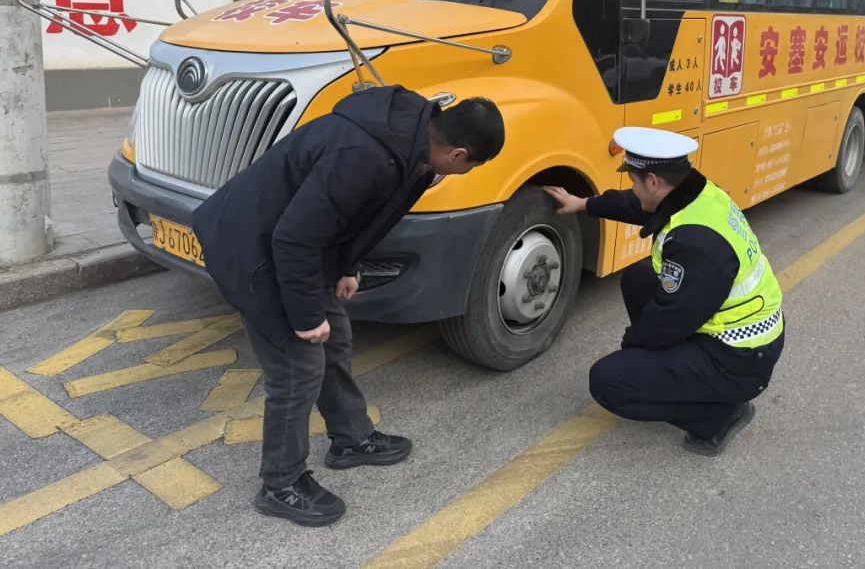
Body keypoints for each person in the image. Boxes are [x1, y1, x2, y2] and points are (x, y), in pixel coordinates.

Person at [192, 85, 504, 526]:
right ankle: (280, 484)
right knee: (297, 368)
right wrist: (304, 317)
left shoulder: (410, 139)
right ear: (457, 154)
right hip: (256, 250)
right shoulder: (368, 155)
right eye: (468, 167)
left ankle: (351, 438)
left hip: (300, 246)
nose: (460, 174)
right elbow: (293, 237)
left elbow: (356, 215)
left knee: (336, 340)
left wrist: (349, 265)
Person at [544, 127, 783, 457]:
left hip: (740, 357)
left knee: (609, 381)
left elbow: (671, 319)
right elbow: (637, 204)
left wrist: (634, 349)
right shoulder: (695, 193)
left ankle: (719, 415)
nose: (633, 187)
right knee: (639, 277)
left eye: (634, 179)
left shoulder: (697, 243)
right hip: (732, 333)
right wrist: (584, 203)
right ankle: (683, 378)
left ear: (653, 181)